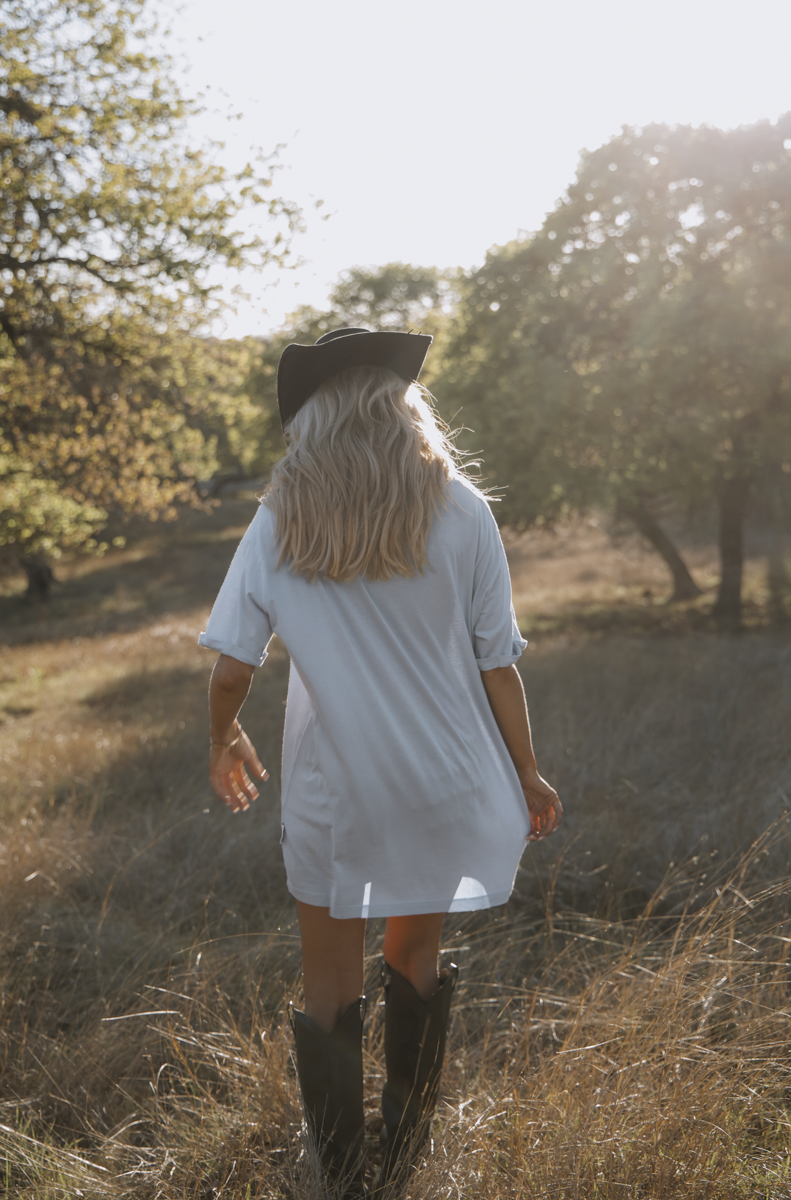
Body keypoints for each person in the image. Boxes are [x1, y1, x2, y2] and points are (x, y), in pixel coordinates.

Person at [199, 328, 562, 1198]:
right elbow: (497, 663)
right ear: (404, 408)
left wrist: (223, 735)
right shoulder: (464, 508)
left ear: (314, 418)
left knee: (328, 986)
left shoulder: (283, 514)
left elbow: (231, 665)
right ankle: (401, 1161)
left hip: (334, 790)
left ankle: (344, 1176)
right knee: (416, 960)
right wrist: (529, 771)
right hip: (444, 783)